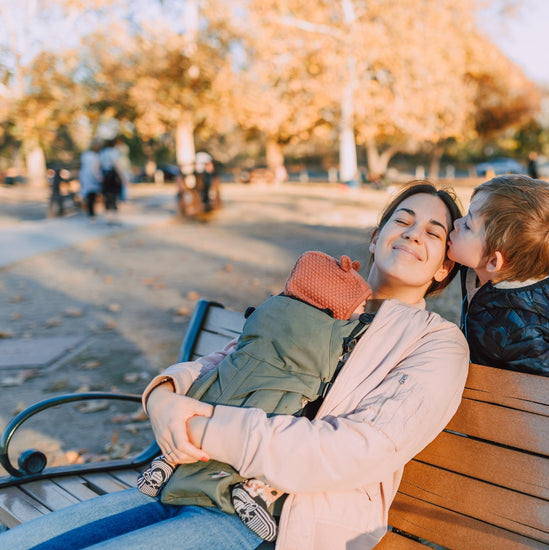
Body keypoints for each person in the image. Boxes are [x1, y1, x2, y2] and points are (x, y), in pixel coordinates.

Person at [0, 181, 469, 550]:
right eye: (402, 220)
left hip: (272, 520)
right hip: (183, 477)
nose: (413, 233)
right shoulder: (318, 296)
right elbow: (235, 356)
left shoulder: (437, 344)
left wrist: (205, 426)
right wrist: (164, 394)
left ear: (444, 267)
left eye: (433, 232)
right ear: (375, 237)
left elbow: (358, 450)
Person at [137, 250, 374, 542]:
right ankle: (257, 489)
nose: (363, 311)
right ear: (338, 305)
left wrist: (163, 394)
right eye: (359, 305)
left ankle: (167, 463)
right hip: (279, 399)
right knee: (281, 430)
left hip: (223, 385)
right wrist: (160, 397)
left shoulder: (272, 308)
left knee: (213, 407)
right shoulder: (334, 334)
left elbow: (237, 350)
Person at [447, 174, 549, 381]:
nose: (456, 223)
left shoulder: (521, 331)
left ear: (494, 262)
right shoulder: (482, 274)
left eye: (468, 225)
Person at [99, 139, 124, 224]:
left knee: (107, 197)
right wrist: (122, 177)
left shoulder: (102, 152)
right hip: (112, 176)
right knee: (114, 196)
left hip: (104, 175)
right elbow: (116, 165)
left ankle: (108, 217)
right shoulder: (114, 152)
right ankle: (114, 218)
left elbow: (98, 164)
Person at [78, 140, 103, 222]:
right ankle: (92, 215)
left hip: (84, 176)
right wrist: (98, 176)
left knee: (89, 195)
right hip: (92, 177)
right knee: (92, 196)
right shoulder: (96, 156)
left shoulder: (85, 155)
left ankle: (90, 213)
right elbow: (95, 168)